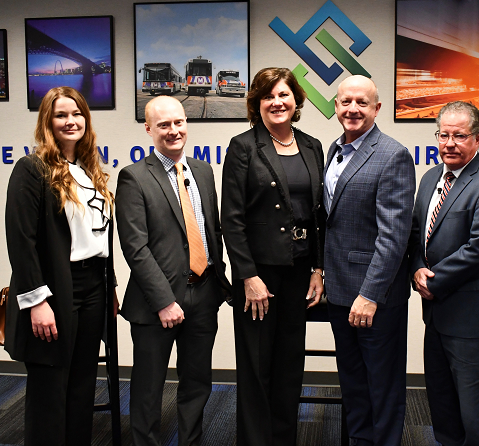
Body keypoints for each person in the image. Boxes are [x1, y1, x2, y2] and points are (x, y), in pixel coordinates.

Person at [116, 95, 231, 446]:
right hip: (157, 304)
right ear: (148, 128)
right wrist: (164, 301)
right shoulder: (133, 177)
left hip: (204, 293)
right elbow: (135, 248)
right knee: (148, 389)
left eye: (178, 122)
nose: (173, 130)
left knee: (197, 384)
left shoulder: (203, 170)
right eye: (164, 124)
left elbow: (212, 231)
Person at [4, 86, 115, 445]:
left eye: (77, 114)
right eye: (61, 115)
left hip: (93, 288)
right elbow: (22, 241)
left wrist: (110, 286)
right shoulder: (31, 168)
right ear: (47, 122)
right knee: (51, 390)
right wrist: (36, 301)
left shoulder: (87, 169)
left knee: (83, 386)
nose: (71, 121)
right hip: (53, 291)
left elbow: (98, 238)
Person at [221, 67, 325, 446]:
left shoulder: (313, 145)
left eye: (283, 95)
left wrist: (318, 267)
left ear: (296, 100)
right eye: (268, 96)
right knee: (256, 368)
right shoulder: (243, 146)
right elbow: (231, 219)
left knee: (288, 367)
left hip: (299, 271)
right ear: (257, 104)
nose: (277, 102)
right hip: (258, 276)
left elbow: (318, 215)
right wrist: (247, 276)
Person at [409, 101, 479, 446]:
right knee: (440, 400)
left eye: (460, 135)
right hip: (436, 312)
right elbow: (415, 234)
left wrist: (433, 279)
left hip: (472, 316)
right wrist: (416, 268)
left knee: (474, 407)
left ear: (478, 139)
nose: (449, 143)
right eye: (443, 135)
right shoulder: (429, 178)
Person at [323, 74, 415, 446]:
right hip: (341, 292)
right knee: (354, 385)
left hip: (375, 298)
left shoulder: (392, 155)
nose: (353, 109)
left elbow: (394, 237)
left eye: (362, 102)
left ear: (377, 108)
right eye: (346, 101)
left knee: (383, 387)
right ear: (336, 106)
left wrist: (370, 294)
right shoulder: (334, 149)